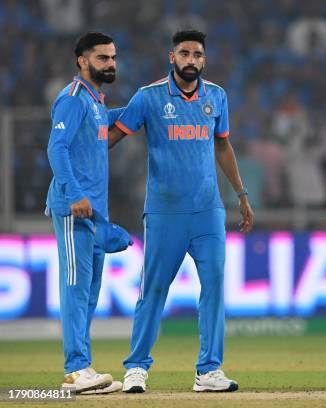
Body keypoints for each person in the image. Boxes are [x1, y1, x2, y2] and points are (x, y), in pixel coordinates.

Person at [108, 29, 254, 393]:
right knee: (154, 290)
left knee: (215, 288)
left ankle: (208, 371)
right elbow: (112, 137)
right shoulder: (149, 96)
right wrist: (78, 155)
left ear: (204, 60)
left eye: (198, 54)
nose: (192, 60)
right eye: (185, 53)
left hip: (208, 212)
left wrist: (241, 194)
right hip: (164, 212)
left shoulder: (217, 97)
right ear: (172, 57)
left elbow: (223, 147)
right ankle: (137, 368)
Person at [46, 31, 123, 394]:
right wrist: (75, 193)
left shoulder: (96, 102)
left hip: (93, 213)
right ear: (83, 61)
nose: (110, 64)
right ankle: (76, 370)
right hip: (73, 208)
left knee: (90, 293)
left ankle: (85, 368)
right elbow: (56, 148)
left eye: (112, 57)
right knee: (76, 288)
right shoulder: (74, 99)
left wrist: (142, 108)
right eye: (102, 58)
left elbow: (105, 126)